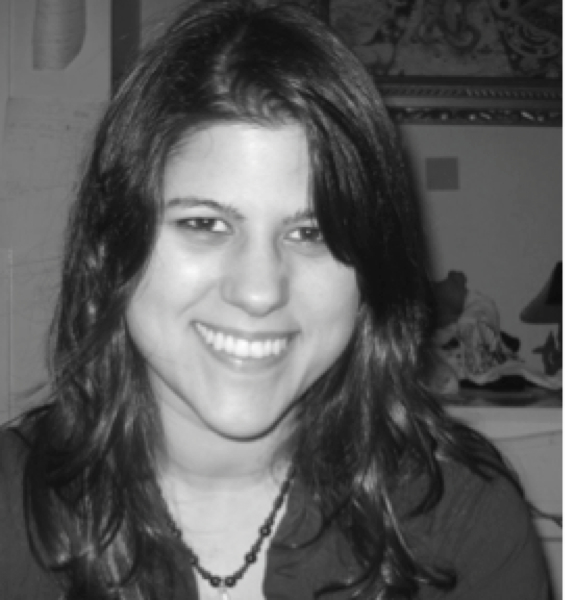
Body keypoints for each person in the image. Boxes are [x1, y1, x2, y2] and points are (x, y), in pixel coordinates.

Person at [0, 1, 550, 599]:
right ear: (114, 247)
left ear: (371, 273)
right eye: (205, 224)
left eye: (311, 233)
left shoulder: (467, 522)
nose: (260, 291)